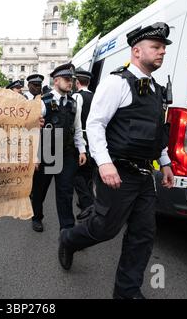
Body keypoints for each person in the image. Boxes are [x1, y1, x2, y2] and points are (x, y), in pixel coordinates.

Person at [58, 22, 175, 299]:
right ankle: (68, 239)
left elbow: (157, 132)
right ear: (136, 51)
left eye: (163, 49)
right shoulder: (116, 82)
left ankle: (126, 291)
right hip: (118, 171)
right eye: (156, 47)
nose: (161, 53)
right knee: (104, 228)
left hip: (145, 175)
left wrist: (165, 162)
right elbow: (95, 124)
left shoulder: (157, 90)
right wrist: (104, 162)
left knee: (143, 235)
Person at [30, 63, 87, 233]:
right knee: (40, 190)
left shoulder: (74, 103)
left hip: (67, 153)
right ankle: (37, 217)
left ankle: (67, 229)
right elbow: (33, 130)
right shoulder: (42, 102)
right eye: (67, 79)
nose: (70, 83)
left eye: (72, 80)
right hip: (46, 151)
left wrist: (81, 149)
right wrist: (35, 157)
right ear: (56, 81)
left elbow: (77, 127)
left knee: (65, 192)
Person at [72, 69, 95, 220]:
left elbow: (75, 120)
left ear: (77, 82)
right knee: (87, 173)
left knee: (76, 173)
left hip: (81, 137)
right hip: (93, 138)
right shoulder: (95, 95)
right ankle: (85, 203)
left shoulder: (76, 96)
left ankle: (88, 204)